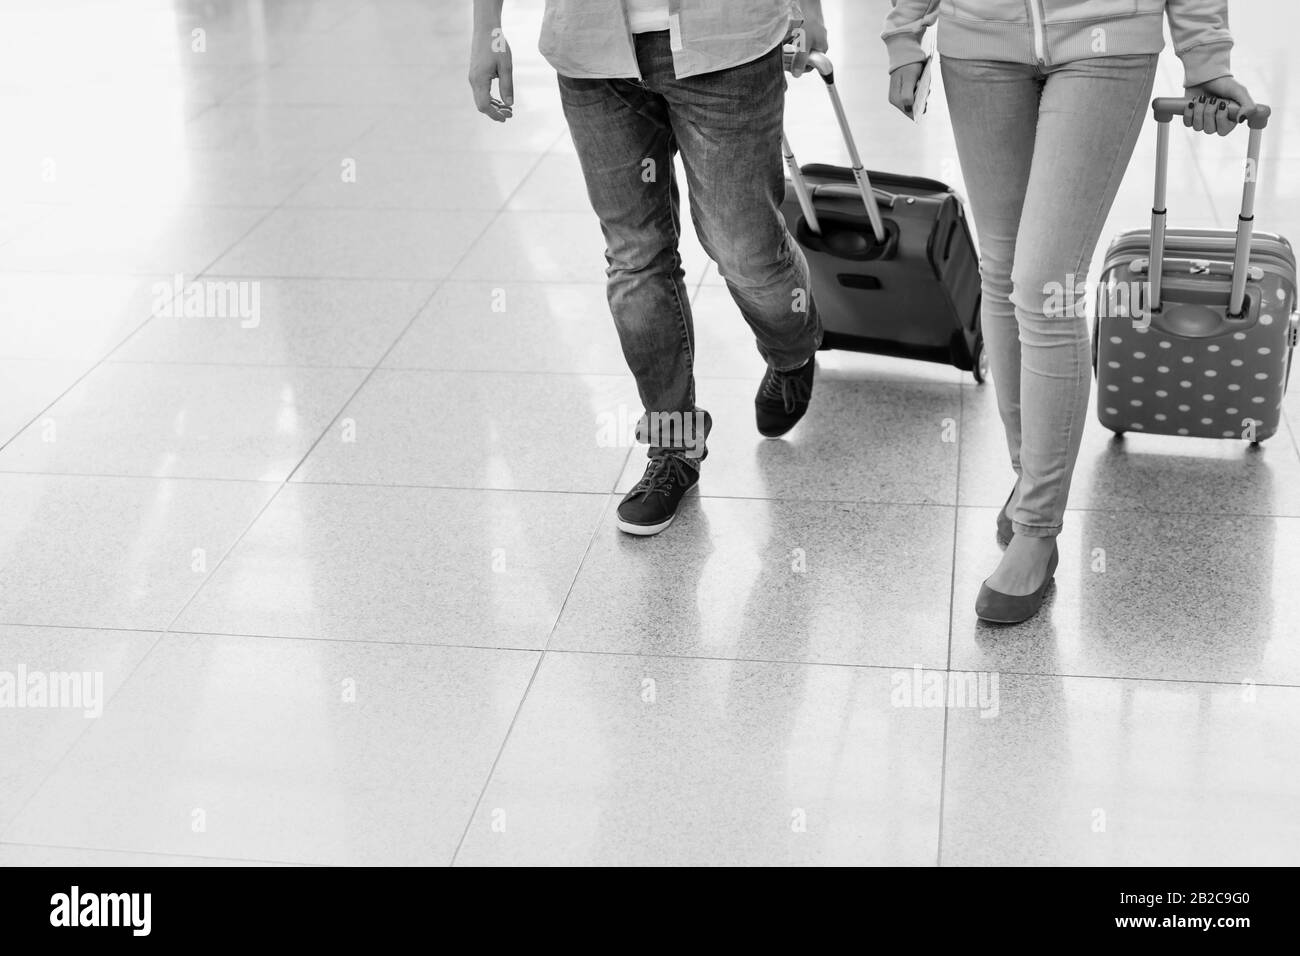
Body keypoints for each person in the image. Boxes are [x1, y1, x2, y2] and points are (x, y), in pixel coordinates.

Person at [883, 0, 1256, 624]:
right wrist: (903, 31)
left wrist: (1205, 55)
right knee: (1000, 274)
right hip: (978, 41)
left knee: (1044, 280)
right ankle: (1029, 477)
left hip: (1105, 41)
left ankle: (1036, 528)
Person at [469, 0, 828, 536]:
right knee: (635, 257)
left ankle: (792, 349)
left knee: (742, 247)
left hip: (730, 39)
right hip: (594, 51)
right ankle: (674, 445)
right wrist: (488, 31)